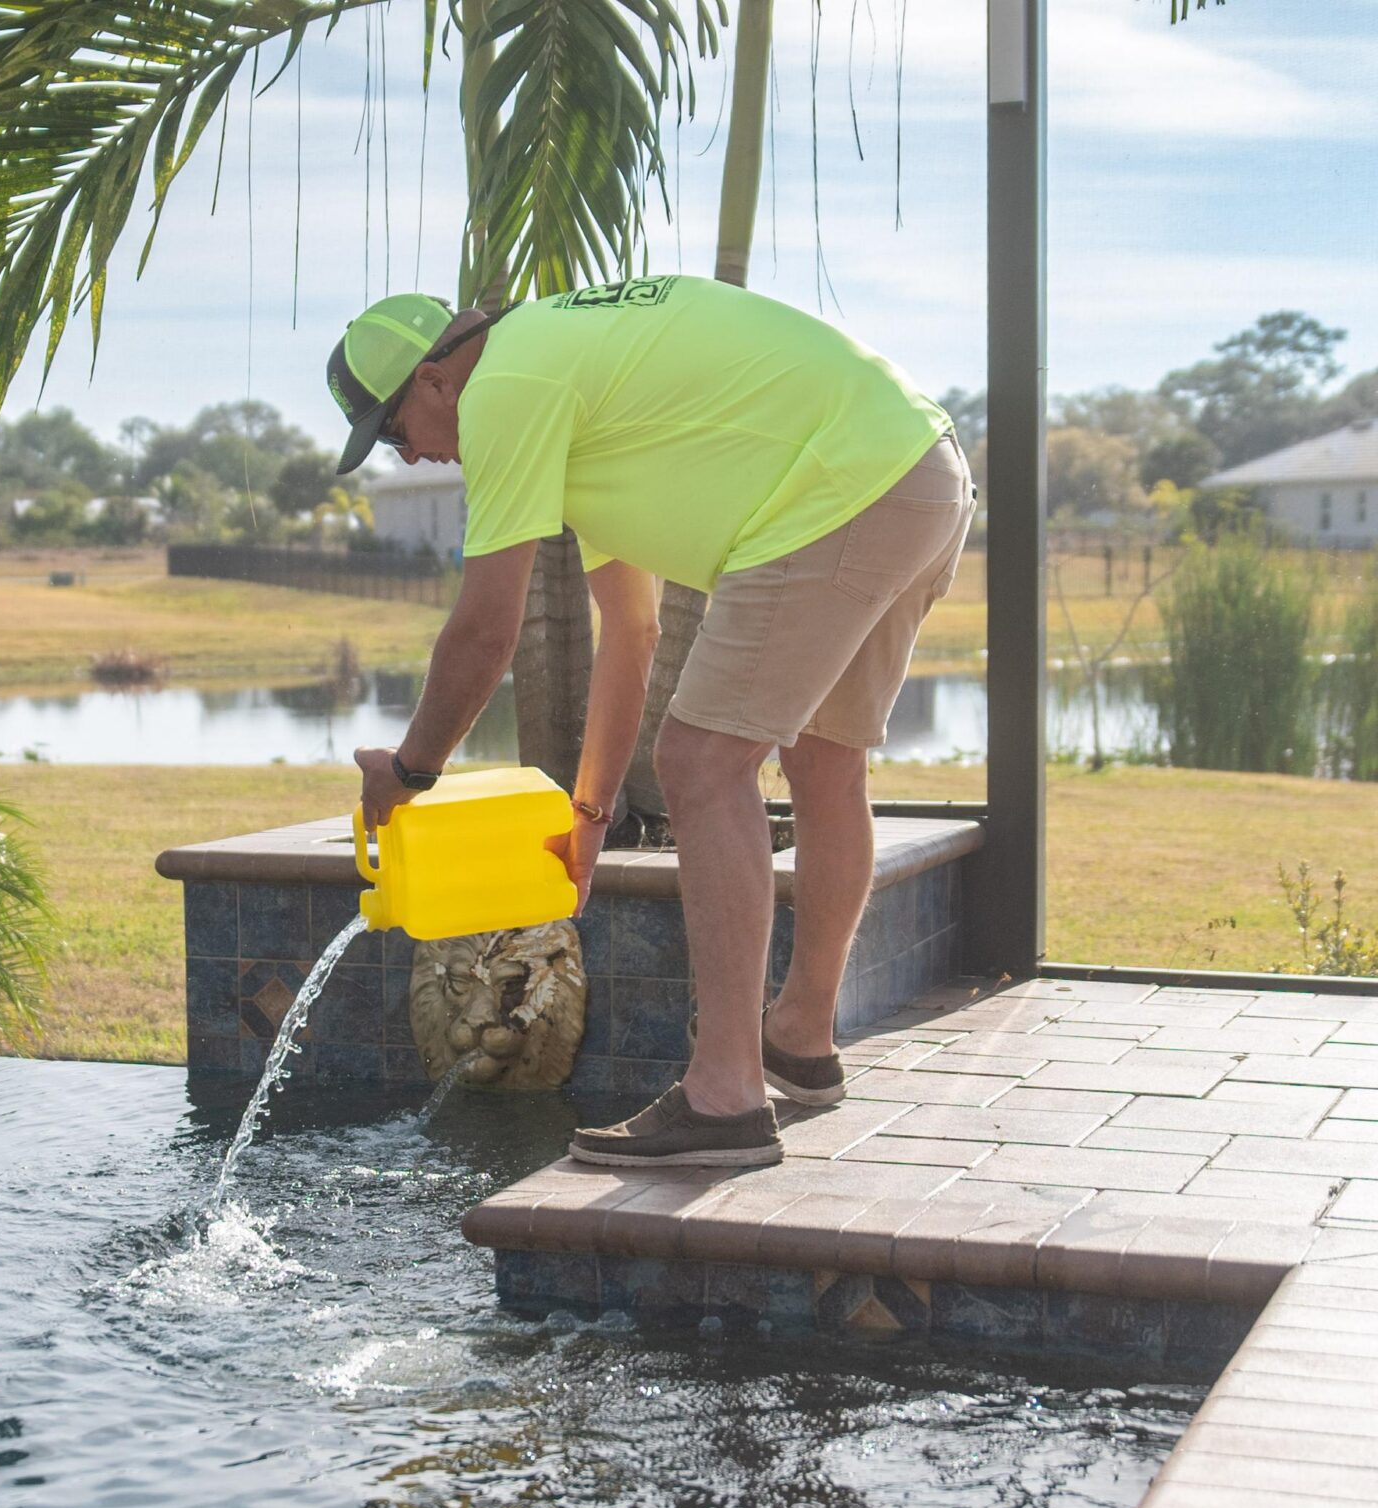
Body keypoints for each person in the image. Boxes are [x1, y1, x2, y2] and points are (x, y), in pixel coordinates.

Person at [328, 274, 975, 1169]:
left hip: (842, 486)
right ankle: (799, 1038)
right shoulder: (562, 369)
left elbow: (484, 631)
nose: (406, 456)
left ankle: (724, 1100)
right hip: (916, 472)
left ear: (436, 381)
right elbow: (630, 630)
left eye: (394, 430)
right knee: (827, 764)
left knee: (704, 762)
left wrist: (408, 772)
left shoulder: (509, 389)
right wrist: (588, 817)